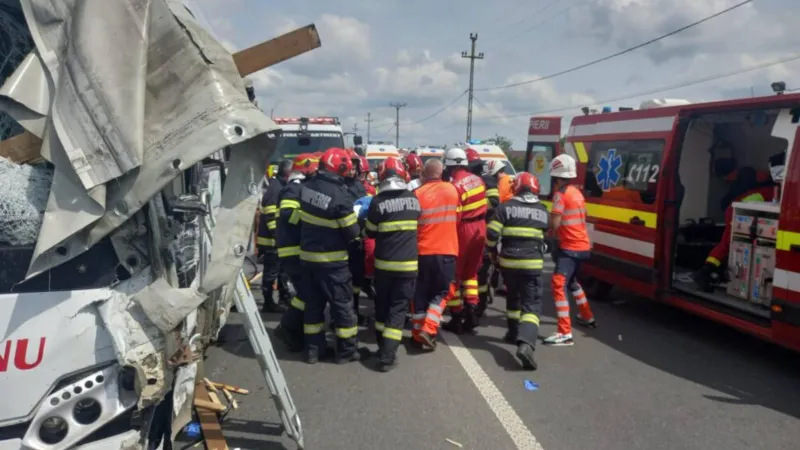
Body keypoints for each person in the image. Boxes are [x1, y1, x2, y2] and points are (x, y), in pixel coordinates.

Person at [298, 147, 362, 364]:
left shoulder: (306, 187)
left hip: (308, 259)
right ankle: (346, 351)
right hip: (333, 262)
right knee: (342, 306)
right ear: (340, 168)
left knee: (313, 307)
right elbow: (352, 232)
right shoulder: (340, 196)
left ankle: (313, 351)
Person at [485, 172, 548, 369]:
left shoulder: (505, 208)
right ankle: (526, 344)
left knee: (513, 298)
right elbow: (547, 236)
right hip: (532, 265)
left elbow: (491, 234)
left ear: (516, 188)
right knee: (531, 305)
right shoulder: (542, 210)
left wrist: (492, 253)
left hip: (509, 263)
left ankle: (513, 333)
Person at [364, 157, 421, 371]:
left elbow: (370, 232)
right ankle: (387, 356)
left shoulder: (377, 201)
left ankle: (383, 349)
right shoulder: (413, 198)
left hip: (384, 266)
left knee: (382, 306)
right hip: (408, 266)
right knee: (398, 310)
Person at [693, 156, 782, 291]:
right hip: (738, 212)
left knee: (731, 243)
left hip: (741, 210)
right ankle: (706, 271)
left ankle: (715, 269)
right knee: (727, 243)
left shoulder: (760, 180)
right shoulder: (769, 183)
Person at [545, 154, 596, 346]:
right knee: (573, 282)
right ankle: (587, 316)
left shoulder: (560, 194)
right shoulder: (576, 193)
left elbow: (555, 223)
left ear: (555, 176)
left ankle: (564, 332)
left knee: (558, 284)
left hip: (570, 247)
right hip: (583, 245)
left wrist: (547, 231)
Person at [413, 159, 460, 349]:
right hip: (447, 250)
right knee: (443, 292)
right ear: (441, 173)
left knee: (420, 292)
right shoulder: (452, 190)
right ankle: (429, 328)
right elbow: (459, 216)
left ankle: (417, 334)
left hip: (422, 251)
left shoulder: (417, 194)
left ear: (424, 174)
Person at [274, 153, 318, 352]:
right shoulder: (294, 188)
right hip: (292, 250)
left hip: (296, 249)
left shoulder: (299, 188)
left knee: (306, 292)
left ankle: (292, 329)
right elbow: (287, 214)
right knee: (307, 293)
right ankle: (287, 327)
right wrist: (310, 219)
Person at [442, 148, 488, 334]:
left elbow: (457, 216)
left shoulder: (455, 186)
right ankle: (472, 311)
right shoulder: (478, 180)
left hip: (464, 230)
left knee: (454, 274)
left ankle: (456, 317)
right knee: (471, 273)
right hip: (481, 227)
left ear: (450, 166)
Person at [256, 159, 293, 312]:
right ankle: (268, 302)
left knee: (282, 272)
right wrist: (278, 236)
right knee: (271, 273)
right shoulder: (275, 188)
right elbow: (270, 215)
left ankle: (284, 296)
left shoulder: (280, 186)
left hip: (278, 241)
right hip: (272, 242)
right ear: (288, 173)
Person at [344, 149, 369, 324]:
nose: (352, 170)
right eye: (349, 166)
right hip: (342, 240)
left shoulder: (359, 186)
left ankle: (355, 310)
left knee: (357, 279)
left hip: (358, 238)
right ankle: (342, 315)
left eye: (354, 167)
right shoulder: (338, 186)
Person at [477, 156, 500, 317]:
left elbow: (494, 201)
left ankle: (481, 302)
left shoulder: (487, 180)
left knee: (482, 269)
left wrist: (474, 205)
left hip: (487, 226)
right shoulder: (487, 180)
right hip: (486, 226)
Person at [358, 155, 377, 300]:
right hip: (351, 226)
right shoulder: (345, 186)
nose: (360, 176)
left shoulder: (370, 189)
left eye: (363, 173)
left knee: (371, 250)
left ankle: (368, 281)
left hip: (366, 226)